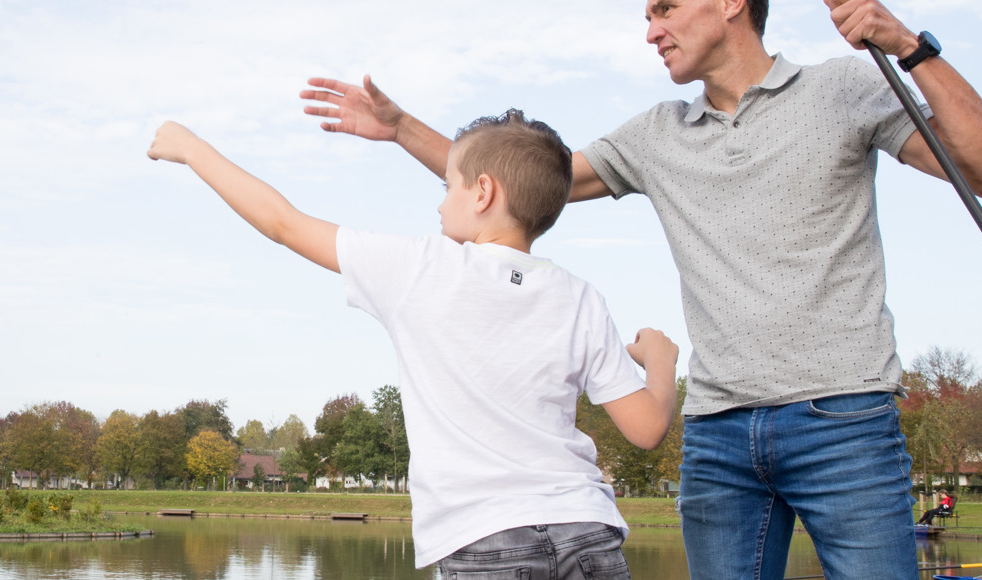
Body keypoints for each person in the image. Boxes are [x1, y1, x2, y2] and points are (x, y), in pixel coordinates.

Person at [299, 0, 982, 577]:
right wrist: (401, 129)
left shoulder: (842, 89)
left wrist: (909, 48)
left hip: (842, 419)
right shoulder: (657, 134)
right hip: (718, 434)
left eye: (665, 8)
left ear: (731, 4)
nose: (651, 30)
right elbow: (520, 185)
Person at [147, 111, 681, 578]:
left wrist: (192, 149)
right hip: (586, 530)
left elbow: (283, 223)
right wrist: (660, 362)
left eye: (448, 186)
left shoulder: (421, 268)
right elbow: (647, 428)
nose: (441, 203)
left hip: (484, 538)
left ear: (483, 192)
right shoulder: (580, 297)